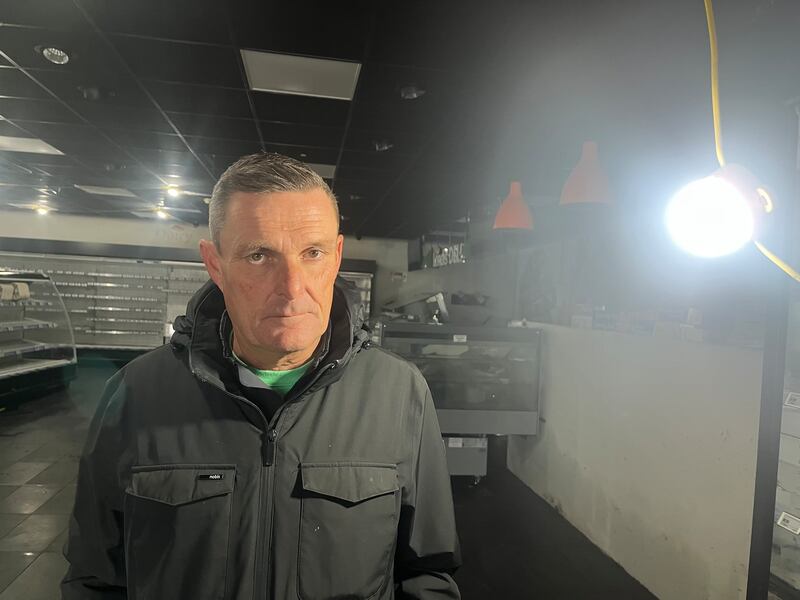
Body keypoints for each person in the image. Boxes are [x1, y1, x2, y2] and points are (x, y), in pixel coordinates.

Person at [61, 153, 461, 599]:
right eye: (258, 255)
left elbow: (427, 572)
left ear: (336, 258)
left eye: (313, 253)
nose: (292, 287)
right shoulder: (137, 394)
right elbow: (96, 577)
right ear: (215, 265)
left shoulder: (400, 394)